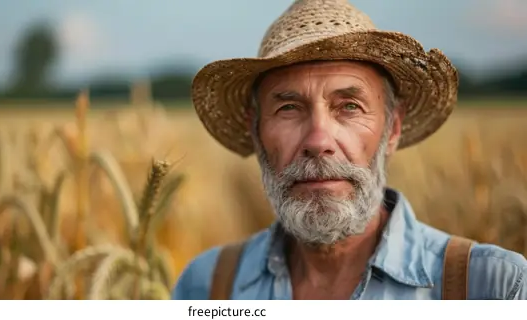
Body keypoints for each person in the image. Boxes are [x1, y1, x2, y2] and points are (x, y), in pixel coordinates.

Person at [171, 0, 527, 300]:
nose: (318, 141)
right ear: (255, 130)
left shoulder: (493, 287)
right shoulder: (206, 287)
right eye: (289, 108)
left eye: (349, 106)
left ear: (393, 128)